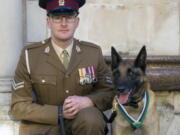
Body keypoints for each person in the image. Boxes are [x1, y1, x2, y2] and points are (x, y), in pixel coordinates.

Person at [10, 0, 114, 135]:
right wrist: (58, 112)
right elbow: (18, 105)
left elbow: (110, 92)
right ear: (48, 22)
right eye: (57, 17)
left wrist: (89, 101)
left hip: (84, 125)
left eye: (69, 17)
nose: (63, 23)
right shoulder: (30, 55)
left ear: (77, 22)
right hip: (45, 128)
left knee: (91, 118)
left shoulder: (92, 53)